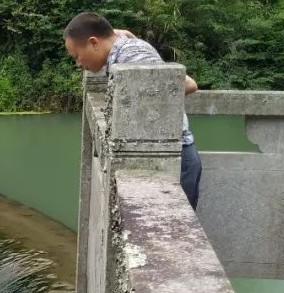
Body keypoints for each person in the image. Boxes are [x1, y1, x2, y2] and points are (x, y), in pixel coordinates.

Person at [63, 11, 202, 210]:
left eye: (76, 56)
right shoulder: (122, 49)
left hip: (176, 160)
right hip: (161, 158)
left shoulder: (131, 55)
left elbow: (189, 84)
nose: (78, 63)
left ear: (94, 42)